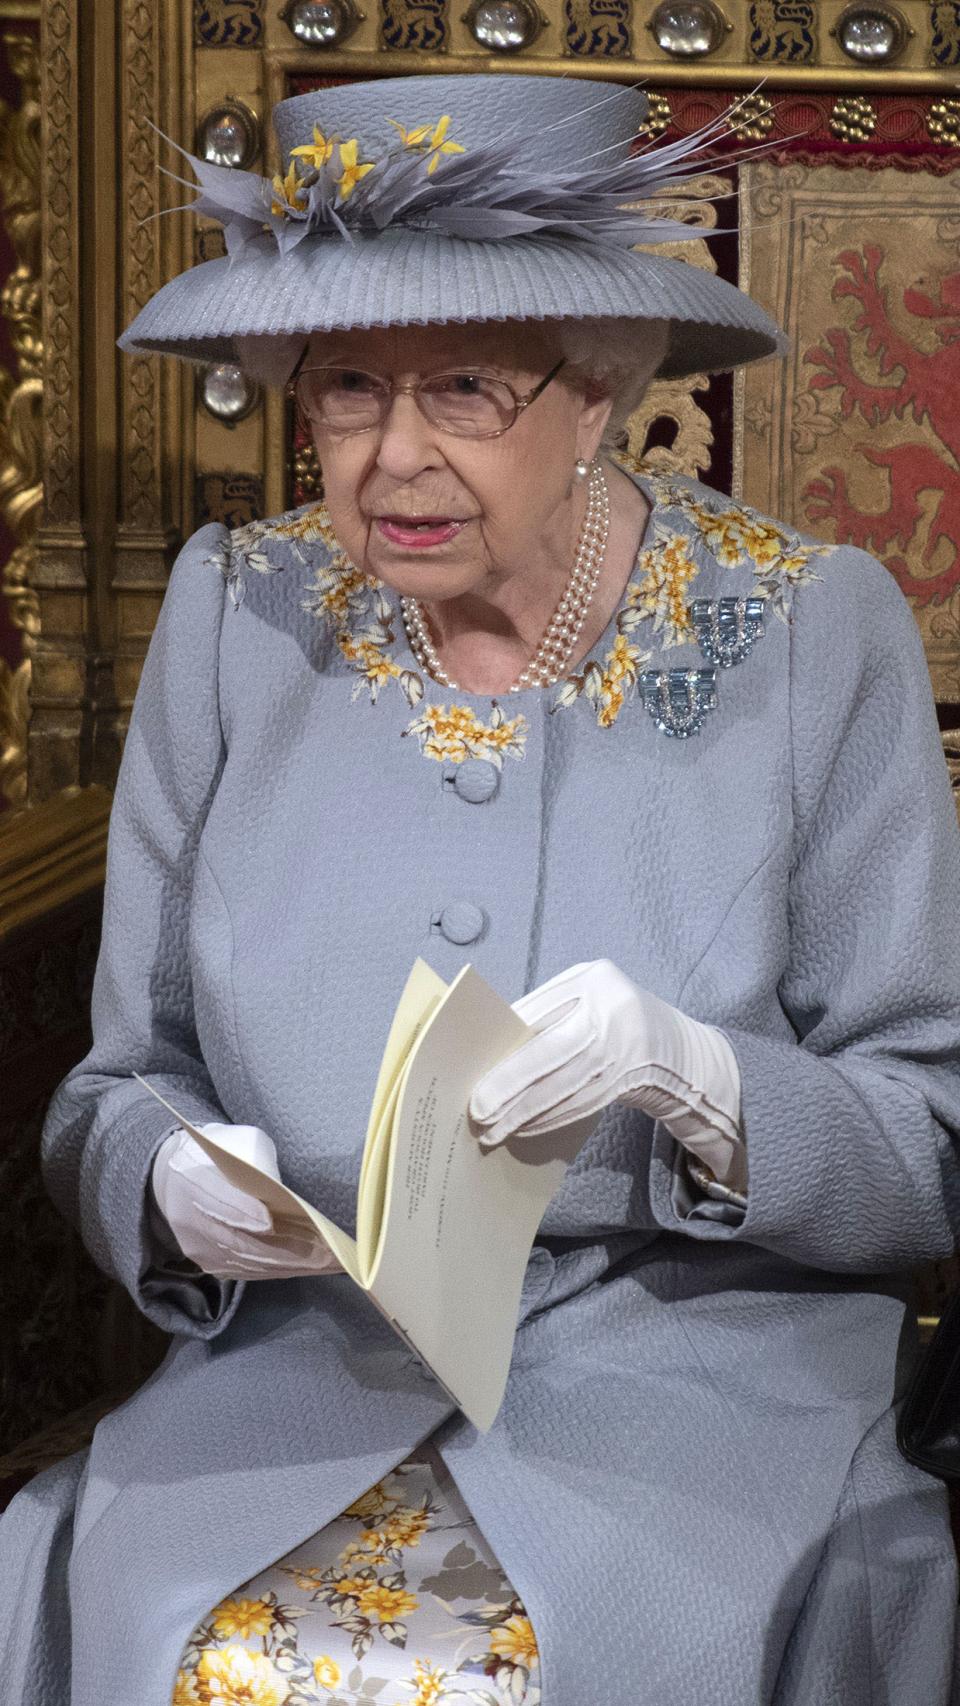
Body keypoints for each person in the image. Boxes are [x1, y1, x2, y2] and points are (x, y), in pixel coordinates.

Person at [2, 70, 960, 1706]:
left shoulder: (814, 629)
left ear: (600, 394)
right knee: (146, 1612)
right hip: (291, 1377)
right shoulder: (239, 610)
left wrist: (702, 1079)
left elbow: (928, 1149)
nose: (391, 460)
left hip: (700, 1395)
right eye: (347, 389)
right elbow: (114, 1089)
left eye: (463, 388)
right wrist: (173, 1187)